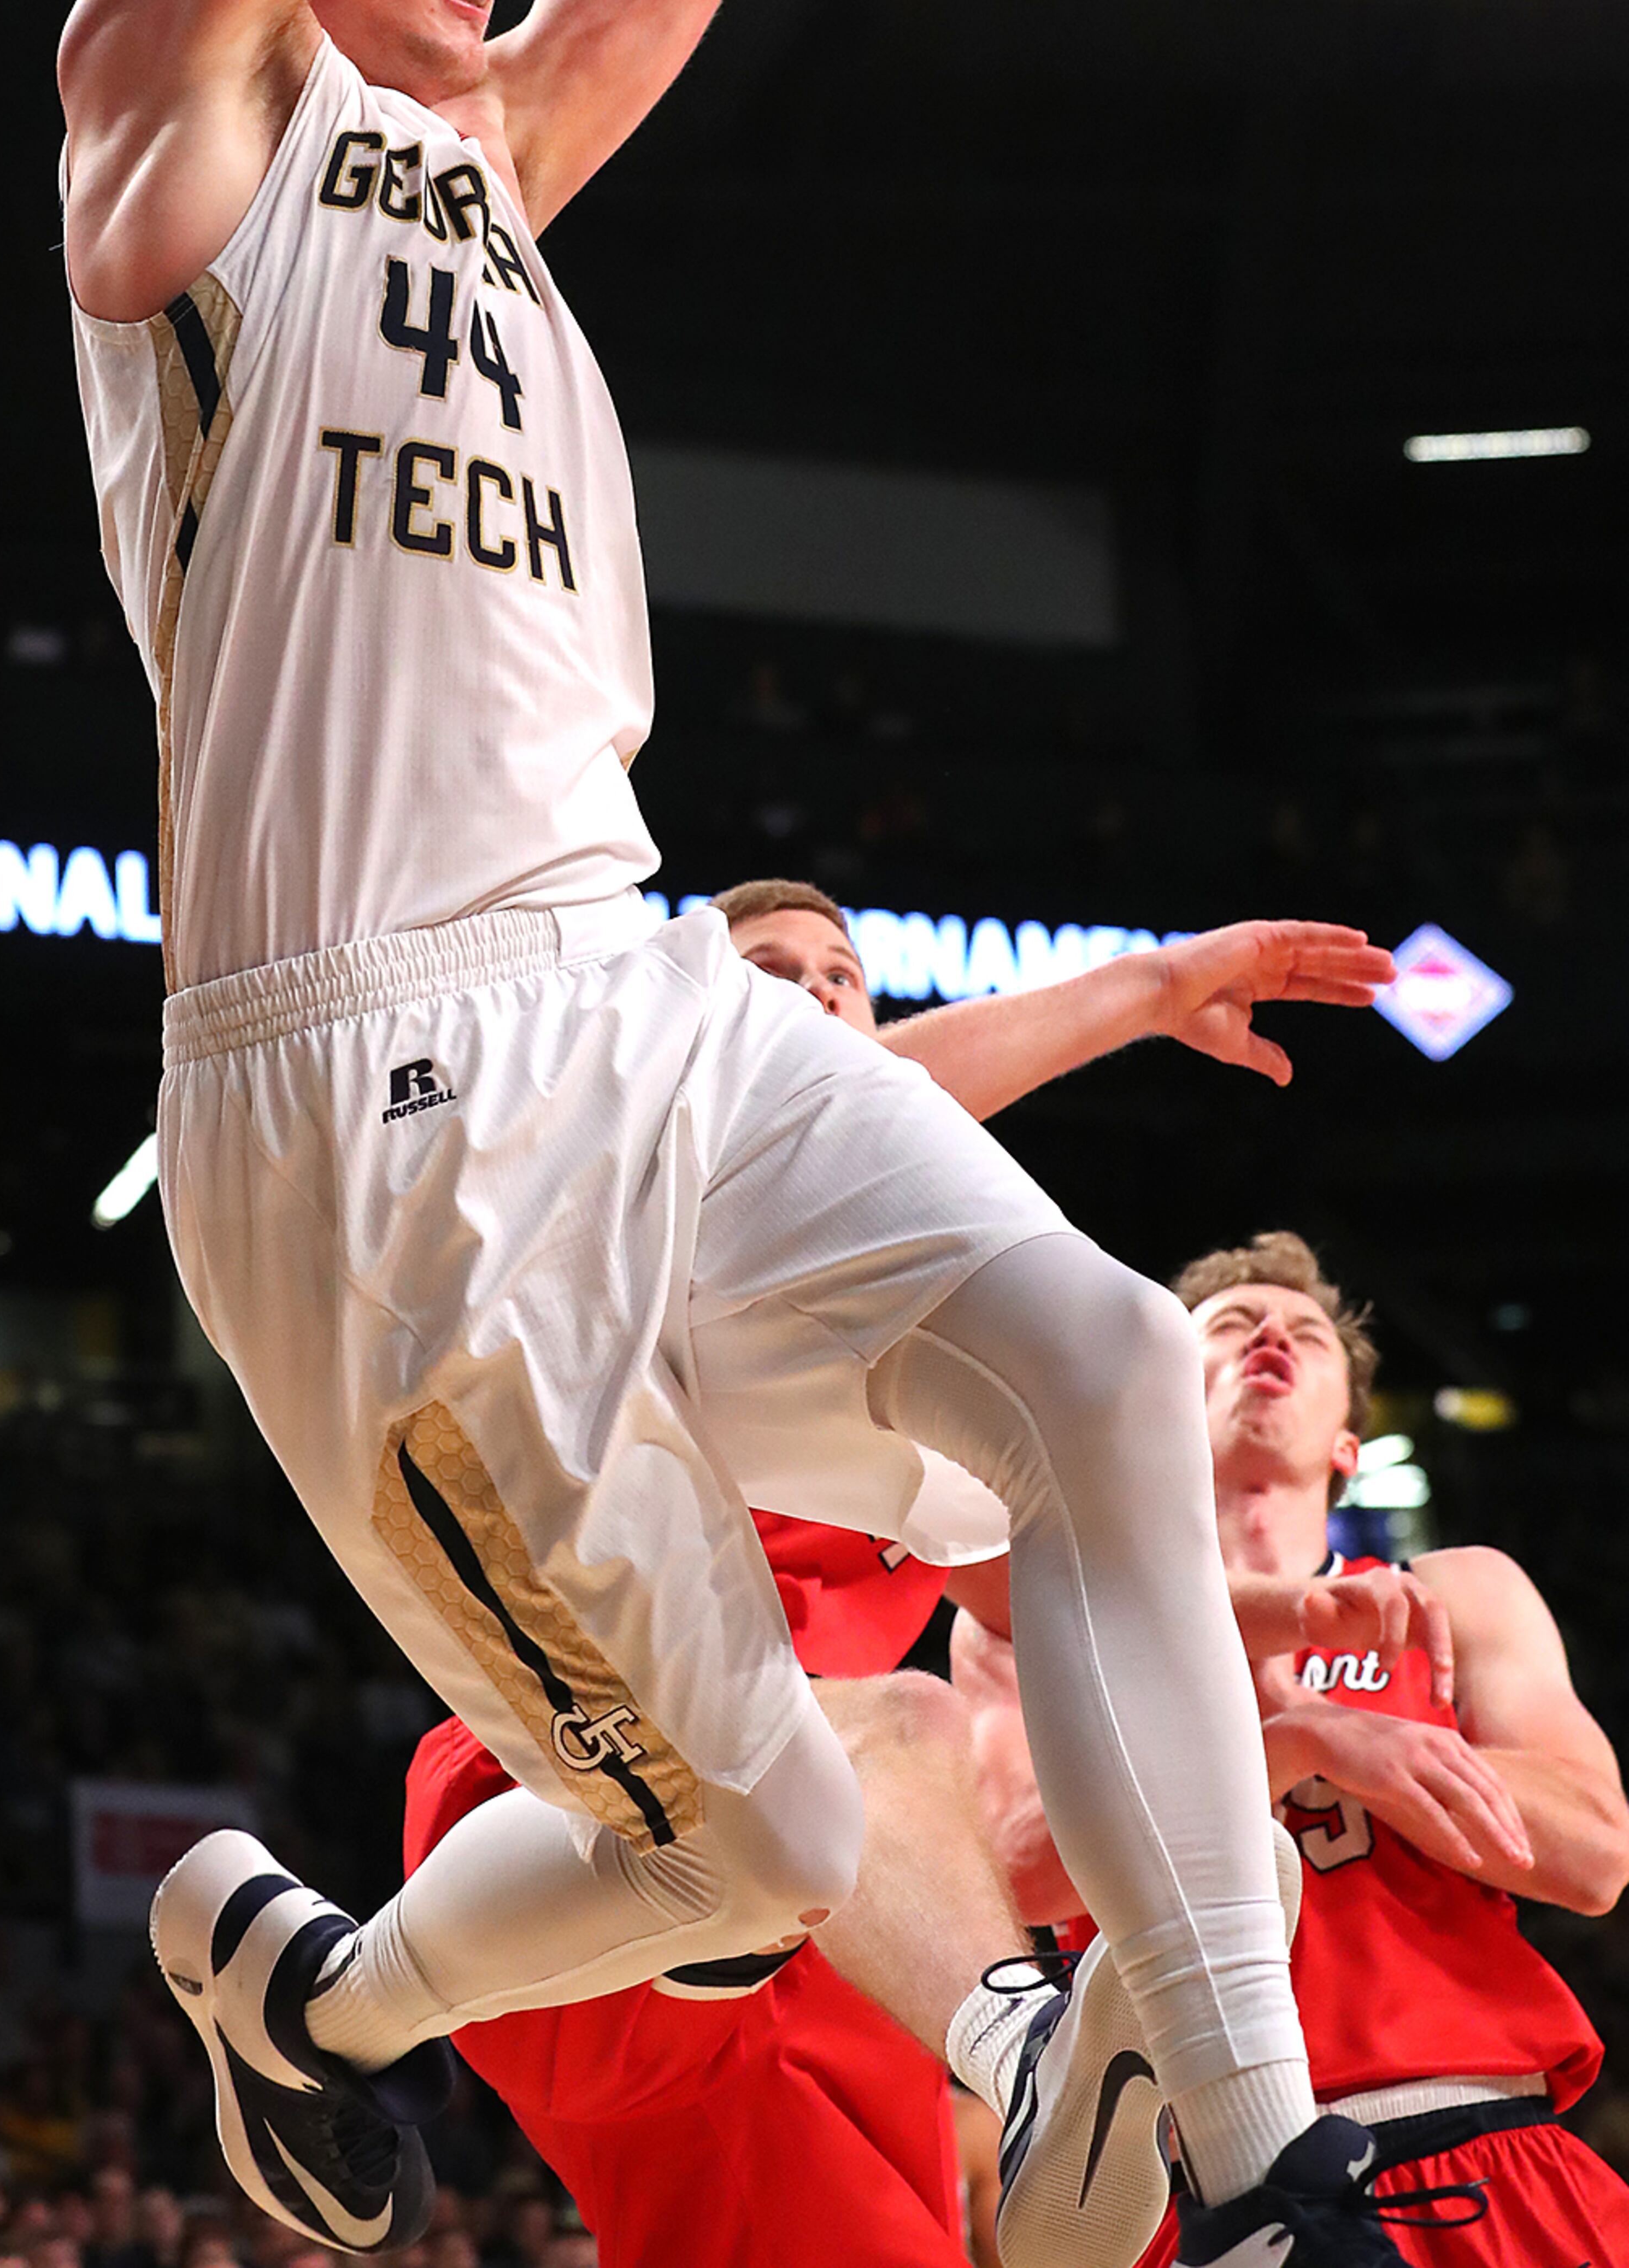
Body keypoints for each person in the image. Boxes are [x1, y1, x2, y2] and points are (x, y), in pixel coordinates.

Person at [61, 0, 1406, 2268]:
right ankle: (314, 1983)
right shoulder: (166, 99)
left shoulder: (501, 170)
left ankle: (1261, 2150)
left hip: (623, 995)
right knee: (760, 1856)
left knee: (1092, 1348)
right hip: (370, 1102)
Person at [404, 883, 1408, 2268]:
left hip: (860, 1905)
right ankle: (1125, 2081)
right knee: (904, 1718)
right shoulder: (638, 1190)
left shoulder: (900, 1349)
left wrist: (1295, 1611)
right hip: (583, 1780)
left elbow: (1078, 1575)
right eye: (768, 972)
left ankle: (1128, 2090)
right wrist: (1148, 986)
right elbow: (862, 1093)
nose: (814, 996)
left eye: (841, 975)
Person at [955, 1230, 1629, 2265]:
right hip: (1208, 2190)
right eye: (1230, 1326)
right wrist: (1307, 1740)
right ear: (1159, 1401)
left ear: (1348, 1447)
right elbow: (1025, 1877)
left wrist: (1365, 1745)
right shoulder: (1044, 1613)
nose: (1272, 1332)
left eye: (1306, 1333)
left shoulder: (1460, 1592)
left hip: (1486, 2143)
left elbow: (1593, 1853)